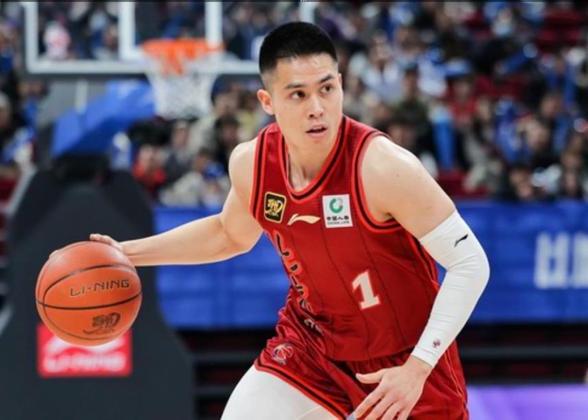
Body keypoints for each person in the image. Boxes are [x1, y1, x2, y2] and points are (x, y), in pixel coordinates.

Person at [91, 22, 489, 419]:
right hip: (311, 348)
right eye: (298, 94)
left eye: (326, 89)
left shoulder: (384, 167)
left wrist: (419, 366)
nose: (317, 107)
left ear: (341, 87)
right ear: (268, 101)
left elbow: (470, 263)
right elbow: (227, 234)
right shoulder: (253, 163)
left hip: (403, 362)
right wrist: (126, 254)